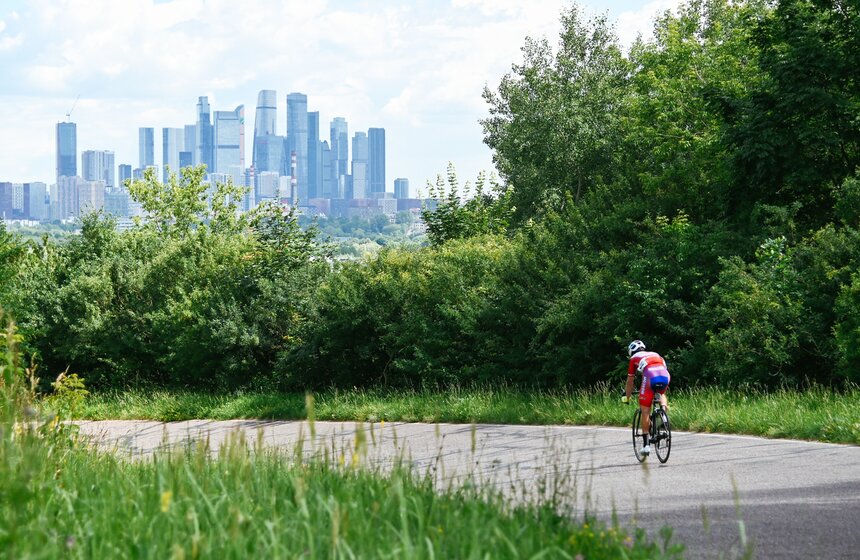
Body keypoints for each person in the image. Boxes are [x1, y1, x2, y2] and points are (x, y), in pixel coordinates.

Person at [621, 339, 670, 456]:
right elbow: (663, 367)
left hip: (650, 376)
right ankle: (663, 411)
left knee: (645, 411)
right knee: (661, 393)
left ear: (631, 352)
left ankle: (646, 445)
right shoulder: (655, 354)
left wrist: (627, 397)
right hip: (664, 375)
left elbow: (630, 381)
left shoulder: (634, 359)